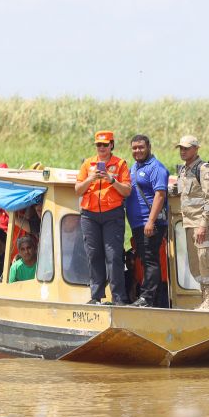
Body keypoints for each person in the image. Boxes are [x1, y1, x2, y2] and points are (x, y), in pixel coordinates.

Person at [75, 130, 132, 305]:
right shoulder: (87, 164)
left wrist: (111, 179)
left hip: (112, 215)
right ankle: (96, 296)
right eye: (98, 144)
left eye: (105, 144)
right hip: (90, 215)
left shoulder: (120, 164)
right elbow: (78, 190)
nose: (102, 148)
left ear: (111, 145)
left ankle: (119, 298)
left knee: (114, 256)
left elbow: (127, 191)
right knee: (93, 254)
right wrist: (91, 178)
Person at [172, 135, 209, 312]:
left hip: (203, 224)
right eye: (181, 148)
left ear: (196, 149)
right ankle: (204, 299)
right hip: (189, 223)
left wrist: (202, 225)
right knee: (195, 264)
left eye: (186, 148)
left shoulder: (204, 170)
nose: (183, 151)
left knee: (206, 260)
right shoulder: (184, 170)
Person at [125, 134, 169, 307]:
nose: (137, 151)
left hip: (150, 223)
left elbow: (160, 195)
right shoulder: (134, 167)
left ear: (149, 147)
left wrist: (150, 222)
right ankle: (151, 298)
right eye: (134, 148)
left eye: (141, 147)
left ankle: (147, 298)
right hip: (138, 224)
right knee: (144, 259)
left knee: (150, 259)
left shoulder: (156, 168)